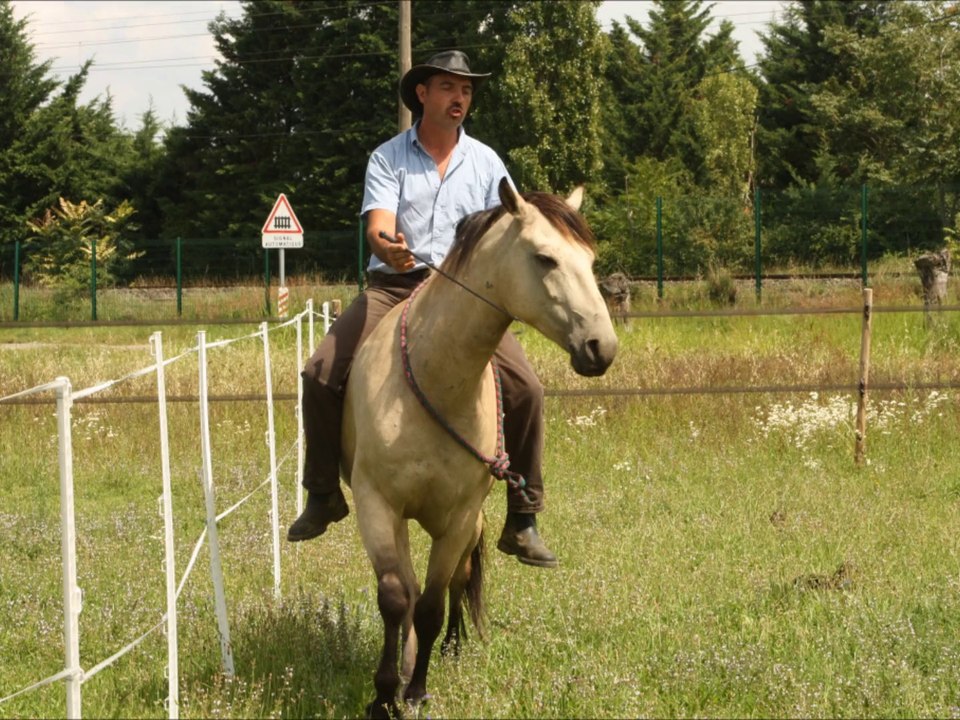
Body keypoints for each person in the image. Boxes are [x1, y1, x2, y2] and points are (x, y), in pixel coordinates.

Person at [287, 50, 557, 568]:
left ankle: (523, 517)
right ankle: (322, 493)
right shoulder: (388, 157)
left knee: (527, 388)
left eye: (467, 90)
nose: (460, 98)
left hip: (466, 299)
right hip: (394, 287)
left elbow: (509, 233)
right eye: (449, 87)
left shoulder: (488, 163)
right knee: (320, 372)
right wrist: (388, 247)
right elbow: (378, 226)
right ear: (422, 94)